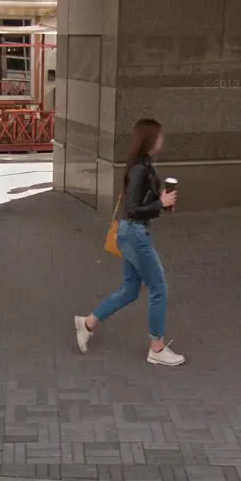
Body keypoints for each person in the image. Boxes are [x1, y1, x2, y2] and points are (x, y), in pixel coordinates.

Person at [74, 118, 184, 367]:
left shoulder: (143, 164)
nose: (162, 140)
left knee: (130, 289)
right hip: (135, 233)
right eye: (159, 136)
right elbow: (132, 208)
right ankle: (157, 348)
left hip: (132, 232)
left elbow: (139, 203)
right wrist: (160, 203)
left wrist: (161, 201)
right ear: (150, 139)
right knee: (159, 288)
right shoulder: (140, 169)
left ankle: (88, 323)